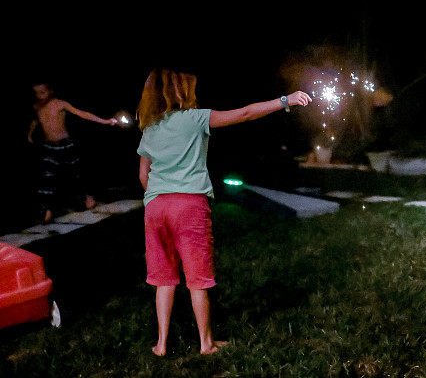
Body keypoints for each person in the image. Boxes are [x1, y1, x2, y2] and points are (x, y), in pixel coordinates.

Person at [136, 68, 311, 356]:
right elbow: (244, 113)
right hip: (189, 204)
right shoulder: (196, 118)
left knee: (163, 278)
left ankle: (162, 344)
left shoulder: (151, 127)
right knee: (196, 278)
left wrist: (158, 197)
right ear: (177, 91)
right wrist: (284, 100)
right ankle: (206, 343)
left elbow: (144, 175)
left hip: (155, 206)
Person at [28, 82, 118, 224]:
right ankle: (47, 212)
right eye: (37, 93)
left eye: (42, 92)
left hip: (65, 145)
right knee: (46, 179)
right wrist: (30, 134)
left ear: (50, 91)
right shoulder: (37, 107)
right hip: (49, 147)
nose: (40, 96)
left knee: (77, 175)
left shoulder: (59, 103)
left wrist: (105, 121)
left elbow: (81, 113)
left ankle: (89, 201)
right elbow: (36, 121)